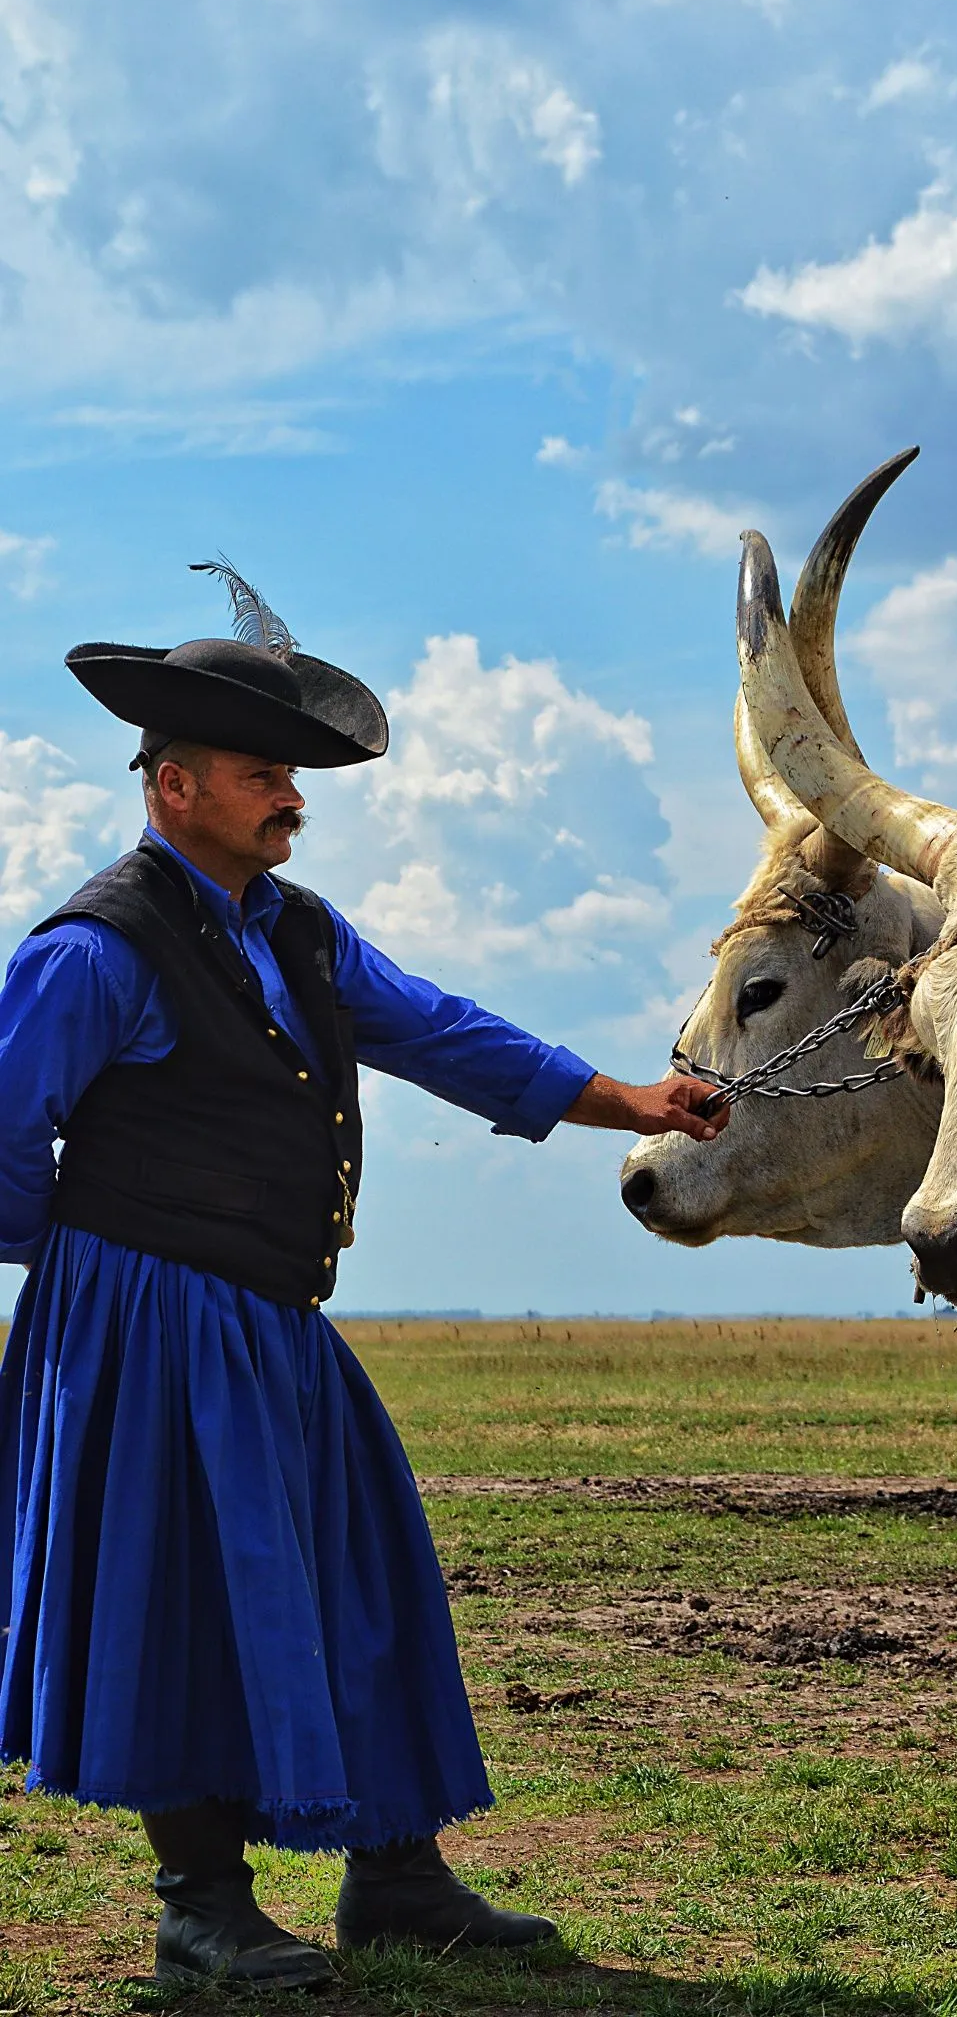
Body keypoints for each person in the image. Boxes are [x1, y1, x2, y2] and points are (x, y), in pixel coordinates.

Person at [0, 565, 727, 1989]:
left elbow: (445, 1033)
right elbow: (2, 1134)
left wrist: (629, 1100)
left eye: (292, 772)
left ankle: (396, 1877)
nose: (292, 795)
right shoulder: (97, 950)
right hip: (142, 1323)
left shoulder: (301, 932)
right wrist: (84, 1268)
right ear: (173, 791)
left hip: (270, 1319)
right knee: (186, 1597)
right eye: (262, 772)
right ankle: (201, 1905)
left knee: (363, 1565)